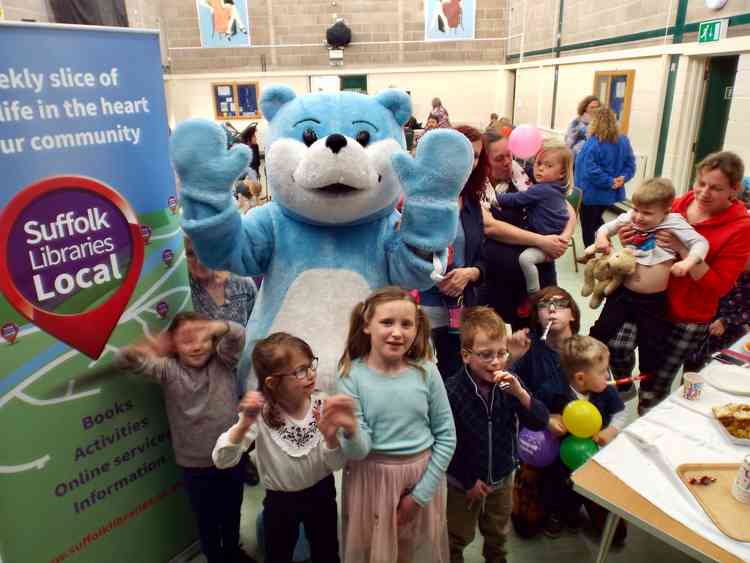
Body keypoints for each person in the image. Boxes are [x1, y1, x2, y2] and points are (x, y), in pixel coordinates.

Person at [612, 151, 750, 413]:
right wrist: (629, 239)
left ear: (734, 190)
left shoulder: (741, 228)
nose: (703, 193)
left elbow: (719, 286)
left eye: (716, 188)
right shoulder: (676, 204)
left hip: (688, 315)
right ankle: (625, 387)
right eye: (701, 183)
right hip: (648, 298)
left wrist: (685, 251)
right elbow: (644, 243)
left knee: (657, 383)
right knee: (617, 346)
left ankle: (648, 423)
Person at [336, 286, 457, 563]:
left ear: (417, 328)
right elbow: (357, 451)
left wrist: (419, 497)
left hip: (422, 480)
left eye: (406, 324)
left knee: (414, 551)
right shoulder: (351, 376)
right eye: (387, 322)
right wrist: (352, 430)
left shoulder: (427, 371)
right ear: (367, 325)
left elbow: (447, 436)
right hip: (371, 483)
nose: (397, 332)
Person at [213, 332, 358, 563]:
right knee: (278, 554)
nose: (311, 374)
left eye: (311, 366)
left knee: (327, 552)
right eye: (300, 371)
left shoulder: (322, 403)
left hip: (322, 493)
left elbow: (337, 463)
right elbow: (222, 459)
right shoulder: (259, 414)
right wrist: (244, 425)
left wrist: (330, 437)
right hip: (280, 502)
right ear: (272, 382)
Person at [116, 313, 249, 563]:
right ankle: (215, 557)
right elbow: (123, 359)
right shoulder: (168, 369)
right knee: (207, 519)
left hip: (232, 456)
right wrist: (148, 348)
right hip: (195, 465)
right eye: (187, 340)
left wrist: (215, 327)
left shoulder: (224, 361)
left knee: (232, 510)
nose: (197, 346)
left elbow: (238, 333)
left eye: (203, 338)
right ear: (173, 345)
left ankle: (233, 550)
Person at [445, 306, 548, 563]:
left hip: (502, 476)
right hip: (462, 484)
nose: (495, 361)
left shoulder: (509, 384)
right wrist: (468, 480)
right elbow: (445, 441)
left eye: (501, 353)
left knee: (498, 532)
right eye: (485, 355)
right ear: (465, 355)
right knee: (456, 534)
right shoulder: (451, 391)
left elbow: (539, 421)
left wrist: (520, 394)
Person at [588, 178, 709, 391]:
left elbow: (701, 243)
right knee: (601, 332)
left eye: (647, 213)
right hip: (623, 294)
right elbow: (606, 227)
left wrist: (688, 261)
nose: (639, 217)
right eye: (636, 209)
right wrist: (602, 238)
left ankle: (648, 385)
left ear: (666, 211)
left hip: (653, 302)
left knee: (652, 346)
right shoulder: (631, 218)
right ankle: (598, 376)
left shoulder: (674, 222)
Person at [479, 130, 577, 328]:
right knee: (492, 335)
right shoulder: (479, 187)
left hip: (538, 273)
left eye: (510, 155)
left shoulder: (525, 176)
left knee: (539, 333)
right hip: (500, 278)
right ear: (485, 162)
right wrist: (541, 241)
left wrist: (563, 238)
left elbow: (568, 209)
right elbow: (490, 227)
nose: (508, 162)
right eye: (499, 159)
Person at [420, 124, 490, 379]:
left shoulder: (471, 202)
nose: (470, 162)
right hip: (422, 306)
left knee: (456, 372)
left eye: (476, 156)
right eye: (464, 154)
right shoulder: (420, 199)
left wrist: (471, 273)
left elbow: (483, 257)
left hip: (461, 307)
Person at [509, 286, 580, 537]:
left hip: (581, 440)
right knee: (525, 527)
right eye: (543, 305)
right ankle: (553, 503)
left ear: (573, 314)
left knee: (615, 534)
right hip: (538, 438)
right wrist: (512, 359)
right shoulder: (530, 352)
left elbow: (610, 402)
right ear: (536, 317)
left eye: (560, 303)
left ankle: (570, 502)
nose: (551, 309)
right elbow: (510, 396)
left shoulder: (589, 349)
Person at [541, 335, 627, 541]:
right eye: (602, 371)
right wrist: (549, 420)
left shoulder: (606, 391)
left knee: (582, 487)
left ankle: (574, 511)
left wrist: (610, 432)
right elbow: (538, 412)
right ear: (580, 378)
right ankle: (555, 513)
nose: (607, 375)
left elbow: (621, 414)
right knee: (555, 485)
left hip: (592, 456)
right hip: (559, 457)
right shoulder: (553, 390)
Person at [575, 106, 636, 247]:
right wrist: (623, 178)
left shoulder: (593, 143)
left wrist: (609, 181)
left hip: (591, 193)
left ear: (595, 122)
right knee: (597, 221)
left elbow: (590, 170)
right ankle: (606, 247)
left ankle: (592, 255)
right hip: (611, 194)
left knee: (589, 226)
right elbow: (631, 165)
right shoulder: (623, 140)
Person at [685, 260, 750, 371]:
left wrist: (726, 321)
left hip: (729, 330)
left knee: (713, 365)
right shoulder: (729, 265)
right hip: (702, 319)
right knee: (690, 360)